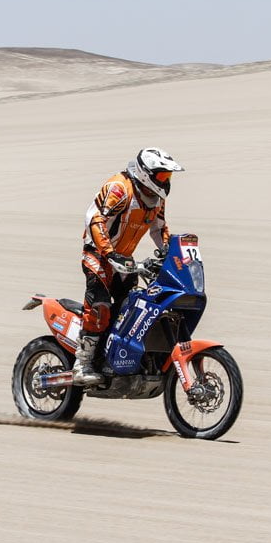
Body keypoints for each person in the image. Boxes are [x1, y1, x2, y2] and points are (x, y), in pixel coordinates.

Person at [73, 147, 185, 385]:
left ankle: (114, 357)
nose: (165, 181)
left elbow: (159, 228)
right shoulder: (120, 188)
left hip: (124, 259)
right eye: (163, 176)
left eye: (168, 177)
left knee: (132, 307)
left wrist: (169, 252)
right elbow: (95, 219)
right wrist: (110, 253)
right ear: (146, 174)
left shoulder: (156, 199)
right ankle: (82, 363)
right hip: (99, 254)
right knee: (100, 305)